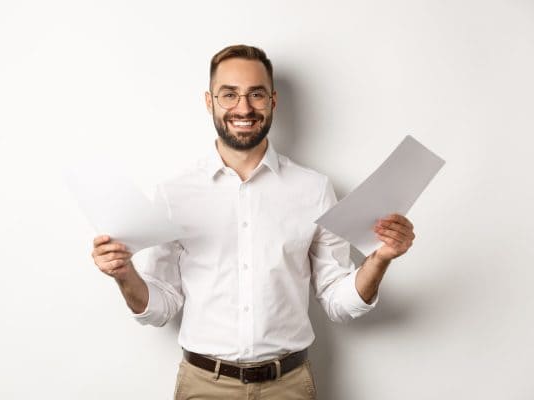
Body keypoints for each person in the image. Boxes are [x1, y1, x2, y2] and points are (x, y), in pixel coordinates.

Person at [91, 44, 415, 400]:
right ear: (208, 101)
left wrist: (379, 259)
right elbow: (158, 309)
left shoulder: (314, 189)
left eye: (255, 94)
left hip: (288, 387)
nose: (243, 108)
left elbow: (339, 302)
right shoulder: (174, 194)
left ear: (272, 101)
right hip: (203, 387)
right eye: (229, 94)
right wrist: (124, 274)